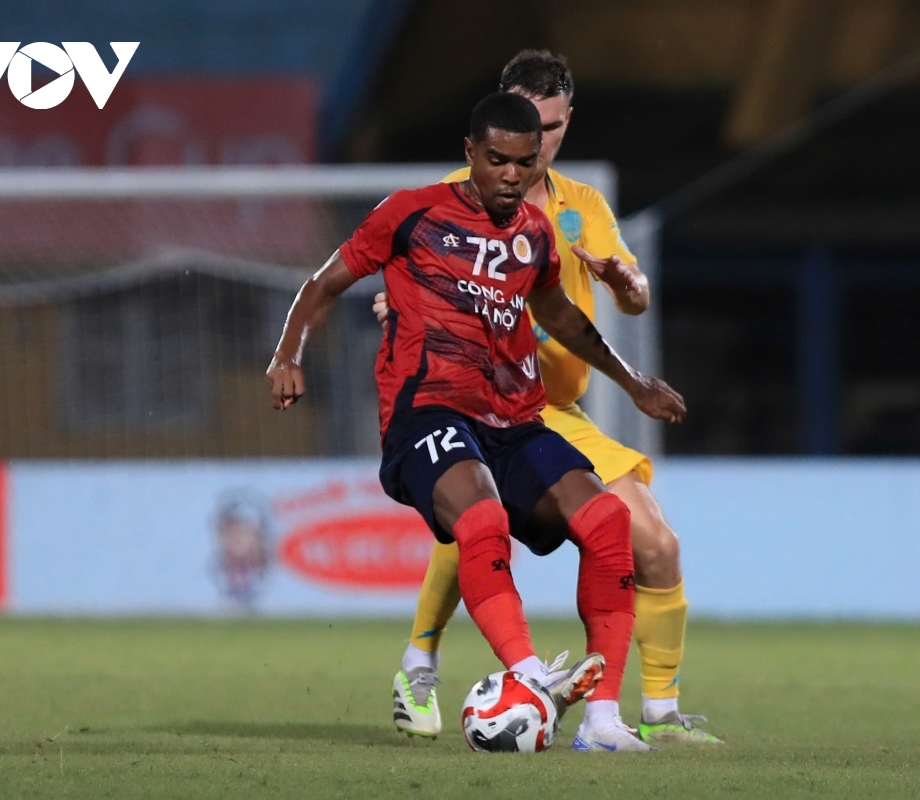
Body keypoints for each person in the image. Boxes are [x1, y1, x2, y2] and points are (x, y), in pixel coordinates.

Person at [266, 92, 686, 752]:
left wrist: (633, 384)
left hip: (514, 419)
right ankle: (527, 678)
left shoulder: (536, 234)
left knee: (608, 524)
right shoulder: (411, 213)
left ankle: (603, 721)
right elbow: (322, 283)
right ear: (470, 154)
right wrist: (286, 354)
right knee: (482, 519)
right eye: (497, 161)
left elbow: (562, 318)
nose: (512, 176)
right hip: (427, 412)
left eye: (523, 164)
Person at [380, 51, 722, 745]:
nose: (538, 145)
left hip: (556, 411)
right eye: (528, 125)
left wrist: (630, 288)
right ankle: (420, 663)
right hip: (471, 405)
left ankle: (654, 714)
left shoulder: (580, 206)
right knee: (478, 512)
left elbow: (630, 291)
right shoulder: (453, 196)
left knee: (654, 540)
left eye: (554, 128)